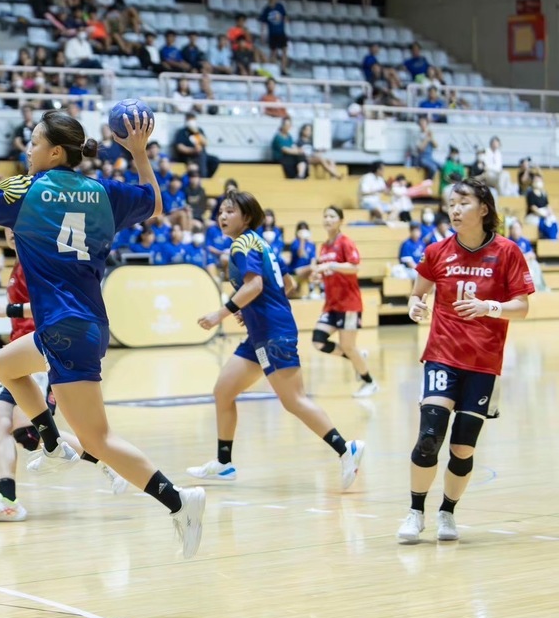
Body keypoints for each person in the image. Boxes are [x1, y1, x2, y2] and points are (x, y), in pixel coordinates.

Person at [0, 110, 206, 558]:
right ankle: (52, 445)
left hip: (64, 327)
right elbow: (155, 203)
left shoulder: (25, 189)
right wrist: (139, 153)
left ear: (54, 152)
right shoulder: (104, 191)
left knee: (97, 440)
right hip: (81, 324)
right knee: (5, 365)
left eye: (33, 143)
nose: (27, 150)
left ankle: (179, 501)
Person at [189, 192, 364, 487]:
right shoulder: (261, 242)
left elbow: (255, 285)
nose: (222, 216)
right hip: (260, 332)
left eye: (230, 211)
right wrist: (249, 307)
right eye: (220, 211)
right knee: (223, 391)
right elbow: (288, 283)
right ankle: (224, 464)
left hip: (273, 333)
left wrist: (221, 314)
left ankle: (347, 449)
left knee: (294, 400)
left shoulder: (242, 245)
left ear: (247, 217)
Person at [398, 178, 534, 543]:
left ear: (484, 208)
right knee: (429, 436)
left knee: (462, 447)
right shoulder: (436, 251)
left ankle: (447, 512)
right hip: (442, 355)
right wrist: (415, 305)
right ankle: (415, 512)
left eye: (463, 203)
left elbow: (522, 306)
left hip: (484, 363)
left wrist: (489, 307)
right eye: (451, 204)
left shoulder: (507, 252)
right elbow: (417, 292)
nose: (455, 210)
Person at [0, 228, 127, 521]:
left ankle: (107, 458)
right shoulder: (19, 264)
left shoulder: (40, 260)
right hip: (17, 355)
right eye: (8, 227)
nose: (12, 231)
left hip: (43, 351)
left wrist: (8, 309)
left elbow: (54, 304)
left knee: (27, 430)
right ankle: (7, 502)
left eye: (17, 225)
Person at [311, 206, 379, 398]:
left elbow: (354, 267)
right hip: (331, 304)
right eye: (325, 216)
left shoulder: (345, 243)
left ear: (340, 220)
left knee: (348, 345)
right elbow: (328, 272)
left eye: (332, 216)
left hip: (349, 303)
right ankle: (357, 357)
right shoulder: (324, 246)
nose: (327, 219)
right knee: (318, 341)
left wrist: (331, 265)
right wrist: (318, 276)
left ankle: (369, 382)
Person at [259, 0, 288, 74]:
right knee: (273, 52)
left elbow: (285, 17)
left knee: (284, 50)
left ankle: (283, 68)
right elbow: (263, 23)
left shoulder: (280, 6)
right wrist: (262, 35)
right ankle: (273, 69)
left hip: (281, 32)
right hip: (272, 34)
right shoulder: (266, 9)